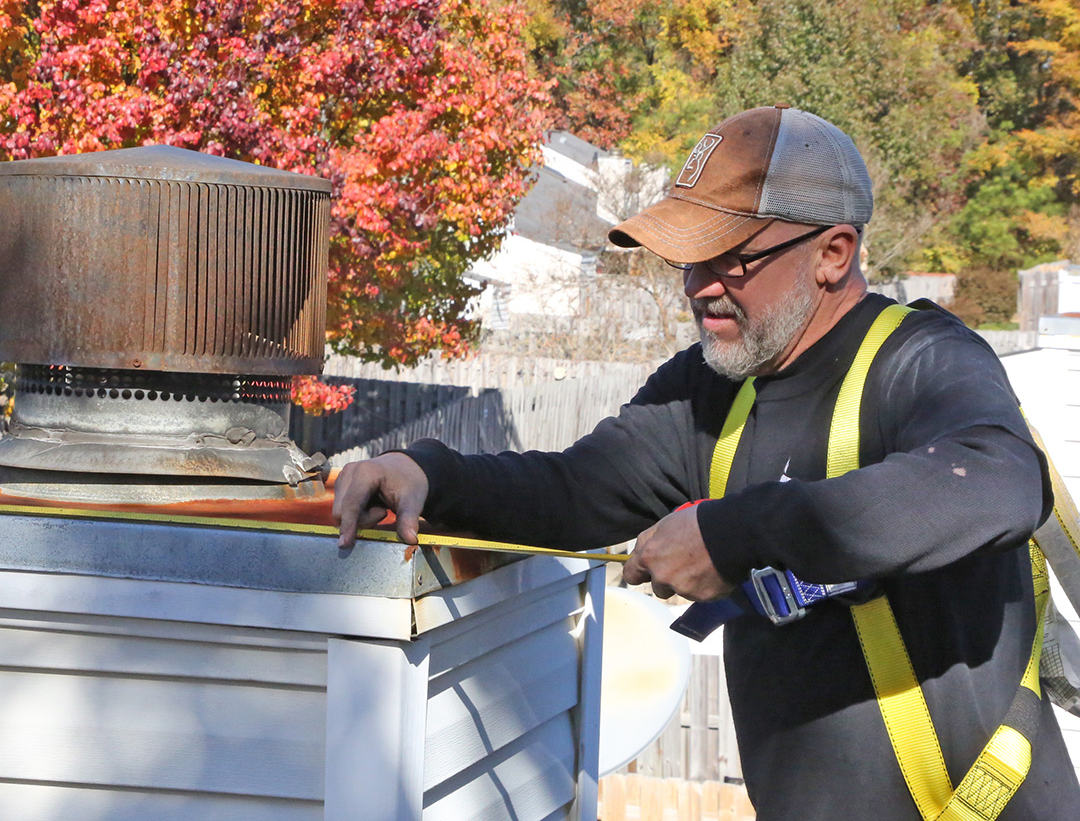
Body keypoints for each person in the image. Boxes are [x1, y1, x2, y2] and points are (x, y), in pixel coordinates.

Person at [333, 104, 1080, 820]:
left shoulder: (920, 362)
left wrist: (735, 535)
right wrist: (430, 471)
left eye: (732, 257)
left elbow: (997, 482)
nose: (698, 284)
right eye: (688, 258)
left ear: (833, 254)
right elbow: (572, 491)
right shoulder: (710, 391)